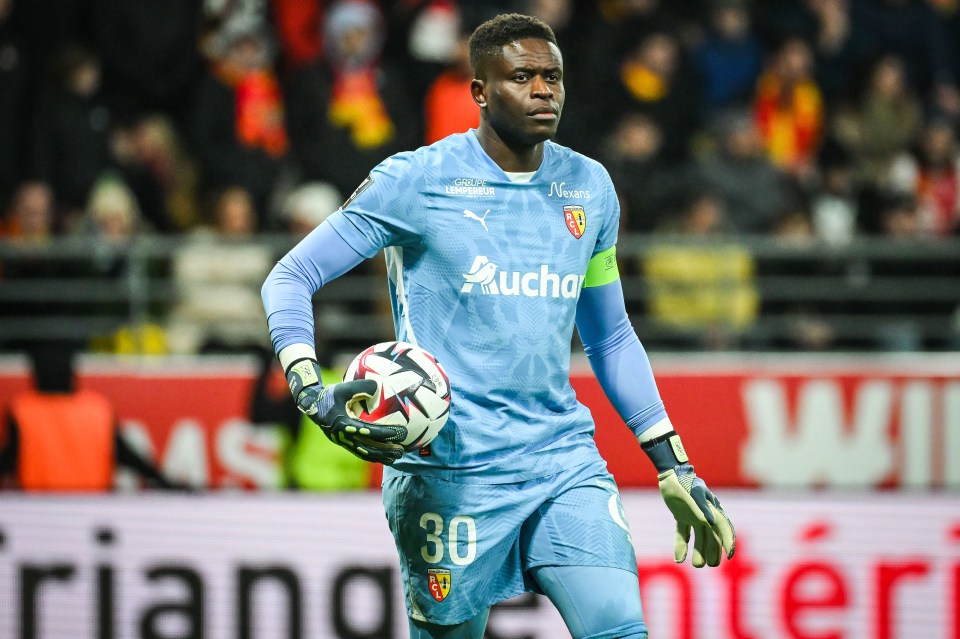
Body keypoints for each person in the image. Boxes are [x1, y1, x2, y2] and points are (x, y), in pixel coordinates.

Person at [261, 13, 735, 639]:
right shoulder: (416, 181)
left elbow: (611, 335)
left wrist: (672, 462)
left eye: (553, 76)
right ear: (479, 91)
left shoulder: (588, 188)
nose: (544, 90)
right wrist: (304, 380)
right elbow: (289, 278)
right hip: (449, 475)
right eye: (522, 76)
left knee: (620, 629)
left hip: (560, 459)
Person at [0, 343, 178, 491]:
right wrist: (164, 481)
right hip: (92, 504)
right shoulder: (97, 407)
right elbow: (125, 454)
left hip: (40, 507)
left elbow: (10, 457)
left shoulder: (22, 409)